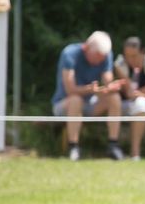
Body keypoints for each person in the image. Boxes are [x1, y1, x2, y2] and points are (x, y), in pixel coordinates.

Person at [51, 31, 123, 160]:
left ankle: (113, 145)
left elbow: (107, 78)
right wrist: (89, 90)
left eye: (102, 57)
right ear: (86, 48)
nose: (100, 60)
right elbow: (70, 89)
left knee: (114, 98)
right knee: (76, 100)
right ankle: (73, 147)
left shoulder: (106, 54)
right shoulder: (70, 54)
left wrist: (111, 86)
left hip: (90, 103)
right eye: (97, 56)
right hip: (64, 104)